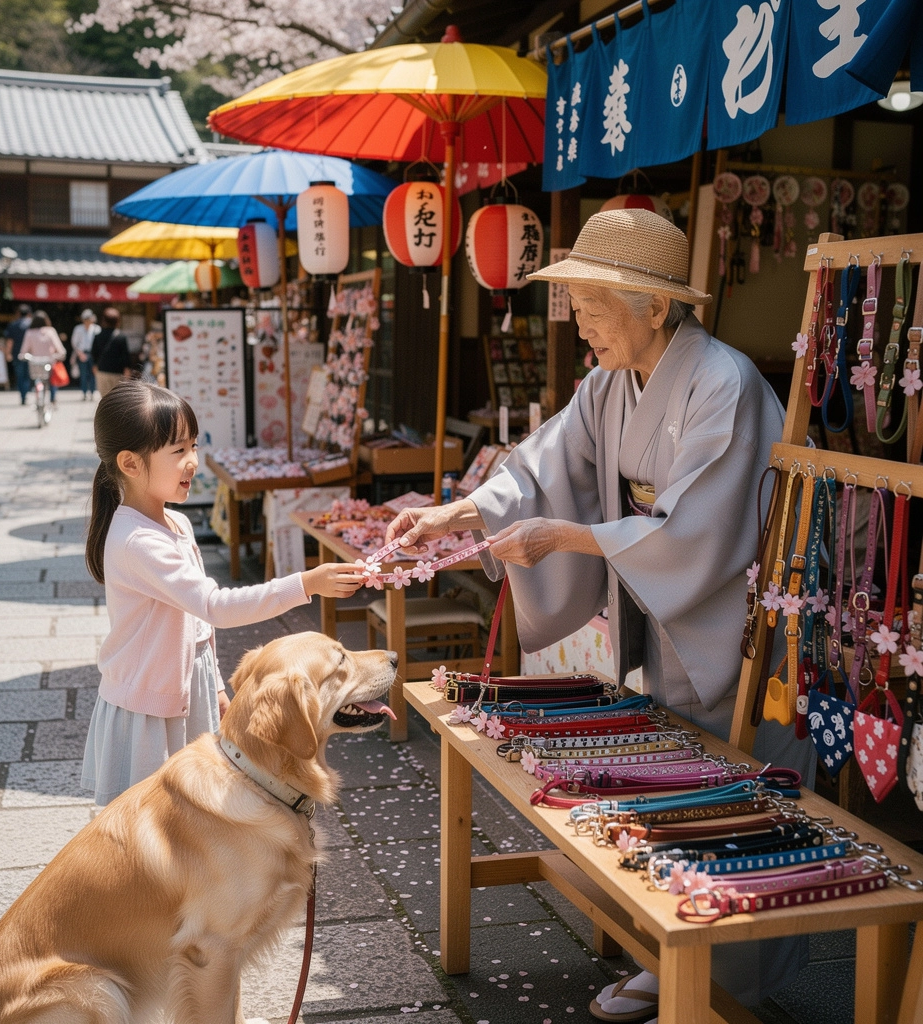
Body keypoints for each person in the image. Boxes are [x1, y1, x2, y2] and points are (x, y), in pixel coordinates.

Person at [384, 208, 815, 1014]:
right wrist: (457, 514)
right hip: (663, 609)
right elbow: (543, 466)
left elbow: (698, 529)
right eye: (577, 309)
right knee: (674, 795)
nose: (582, 327)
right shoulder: (611, 383)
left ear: (657, 307)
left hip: (731, 623)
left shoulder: (723, 383)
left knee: (736, 806)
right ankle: (668, 950)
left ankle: (726, 986)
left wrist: (565, 537)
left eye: (593, 309)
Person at [80, 379, 365, 807]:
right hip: (148, 710)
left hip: (184, 689)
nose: (193, 461)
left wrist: (212, 682)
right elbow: (214, 606)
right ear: (131, 463)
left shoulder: (176, 523)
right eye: (179, 450)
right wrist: (305, 584)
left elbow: (195, 622)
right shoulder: (139, 541)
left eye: (193, 446)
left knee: (189, 814)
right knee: (148, 817)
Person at [20, 311, 67, 406]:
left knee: (37, 380)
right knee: (51, 380)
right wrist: (56, 356)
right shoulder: (50, 331)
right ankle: (52, 400)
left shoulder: (29, 333)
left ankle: (40, 401)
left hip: (35, 363)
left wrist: (23, 356)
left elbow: (23, 351)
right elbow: (61, 350)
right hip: (49, 362)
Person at [91, 307, 131, 397]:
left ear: (104, 320)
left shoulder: (98, 336)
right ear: (118, 321)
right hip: (118, 372)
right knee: (117, 399)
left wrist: (94, 366)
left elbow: (94, 353)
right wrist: (127, 370)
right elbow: (125, 356)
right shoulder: (121, 337)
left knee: (105, 399)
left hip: (102, 371)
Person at [3, 303, 33, 404]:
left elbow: (10, 341)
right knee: (28, 374)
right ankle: (27, 392)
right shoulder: (33, 324)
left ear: (18, 313)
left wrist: (7, 353)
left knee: (20, 376)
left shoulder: (13, 325)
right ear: (29, 313)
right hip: (31, 354)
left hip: (17, 354)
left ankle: (23, 395)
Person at [70, 308, 98, 400]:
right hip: (81, 353)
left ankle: (92, 392)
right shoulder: (78, 329)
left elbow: (99, 344)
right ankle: (84, 393)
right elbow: (74, 342)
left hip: (93, 354)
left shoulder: (96, 329)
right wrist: (80, 354)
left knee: (93, 374)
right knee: (83, 374)